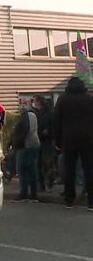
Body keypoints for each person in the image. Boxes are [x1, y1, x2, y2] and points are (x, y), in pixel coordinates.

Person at [53, 76, 93, 210]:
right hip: (88, 139)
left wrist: (58, 141)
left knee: (69, 170)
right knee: (89, 170)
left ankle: (69, 199)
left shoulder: (62, 99)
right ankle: (91, 201)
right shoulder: (89, 98)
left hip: (68, 139)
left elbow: (57, 122)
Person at [11, 99, 40, 202]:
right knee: (32, 170)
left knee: (22, 170)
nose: (20, 107)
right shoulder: (33, 115)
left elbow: (25, 130)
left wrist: (17, 141)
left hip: (25, 146)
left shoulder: (27, 116)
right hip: (33, 145)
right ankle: (33, 194)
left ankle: (24, 194)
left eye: (22, 104)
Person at [33, 95, 54, 192]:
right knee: (41, 164)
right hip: (41, 140)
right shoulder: (39, 112)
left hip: (45, 140)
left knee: (46, 163)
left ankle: (47, 183)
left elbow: (52, 124)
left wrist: (48, 130)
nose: (34, 103)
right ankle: (43, 184)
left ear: (39, 102)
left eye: (35, 101)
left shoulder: (46, 113)